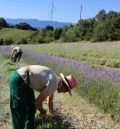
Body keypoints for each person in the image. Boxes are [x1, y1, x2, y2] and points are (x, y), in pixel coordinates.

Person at [9, 65, 77, 129]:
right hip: (19, 79)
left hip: (26, 82)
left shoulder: (55, 81)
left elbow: (50, 101)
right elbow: (37, 103)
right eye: (67, 90)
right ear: (64, 85)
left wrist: (51, 114)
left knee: (31, 109)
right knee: (20, 111)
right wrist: (43, 111)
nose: (65, 92)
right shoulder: (54, 84)